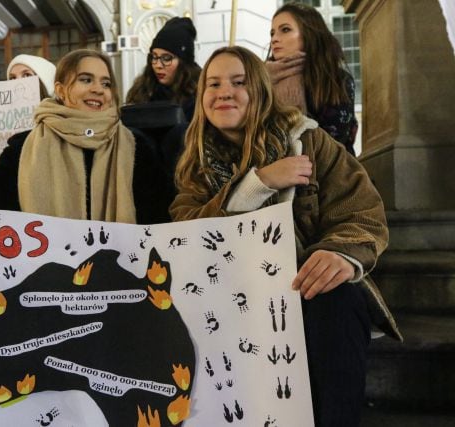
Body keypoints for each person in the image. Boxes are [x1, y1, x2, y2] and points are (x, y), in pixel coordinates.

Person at [170, 46, 399, 427]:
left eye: (239, 82)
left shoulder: (311, 142)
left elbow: (362, 211)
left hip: (302, 290)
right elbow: (187, 232)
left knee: (340, 300)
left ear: (259, 89)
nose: (224, 91)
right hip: (231, 297)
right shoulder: (195, 166)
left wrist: (340, 255)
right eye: (214, 84)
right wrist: (259, 184)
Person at [0, 48, 173, 226]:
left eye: (106, 83)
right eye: (86, 80)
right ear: (60, 90)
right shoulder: (22, 147)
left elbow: (162, 218)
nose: (98, 89)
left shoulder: (137, 146)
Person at [266, 2, 358, 155]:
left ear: (309, 34)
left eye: (285, 30)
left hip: (326, 172)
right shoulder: (260, 80)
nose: (275, 38)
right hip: (271, 172)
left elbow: (334, 143)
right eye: (272, 33)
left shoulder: (335, 80)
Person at [125, 16, 201, 122]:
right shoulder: (141, 92)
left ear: (184, 63)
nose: (158, 65)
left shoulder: (201, 96)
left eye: (166, 58)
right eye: (154, 57)